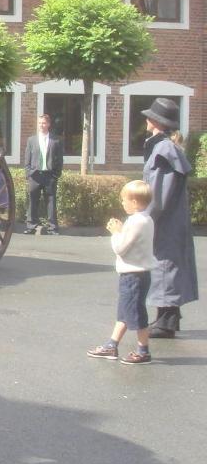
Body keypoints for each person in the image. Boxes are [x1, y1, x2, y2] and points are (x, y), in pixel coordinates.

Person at [141, 97, 198, 338]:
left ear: (155, 122)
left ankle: (166, 322)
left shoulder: (164, 150)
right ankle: (167, 318)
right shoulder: (165, 147)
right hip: (171, 220)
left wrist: (145, 218)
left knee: (165, 265)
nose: (145, 119)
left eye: (149, 117)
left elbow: (158, 194)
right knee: (167, 265)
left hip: (165, 222)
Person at [87, 180, 156, 365]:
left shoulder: (137, 222)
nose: (122, 203)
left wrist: (115, 232)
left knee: (136, 313)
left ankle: (143, 350)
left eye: (124, 200)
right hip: (136, 274)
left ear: (134, 202)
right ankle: (112, 344)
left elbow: (120, 248)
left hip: (134, 275)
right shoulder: (145, 219)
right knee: (125, 313)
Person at [22, 113, 64, 234]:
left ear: (49, 124)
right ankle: (31, 226)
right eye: (39, 123)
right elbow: (27, 158)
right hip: (35, 175)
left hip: (49, 175)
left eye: (44, 123)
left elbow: (60, 159)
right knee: (32, 200)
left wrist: (56, 175)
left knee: (51, 201)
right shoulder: (31, 140)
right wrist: (28, 173)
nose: (41, 125)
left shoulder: (56, 140)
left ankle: (52, 227)